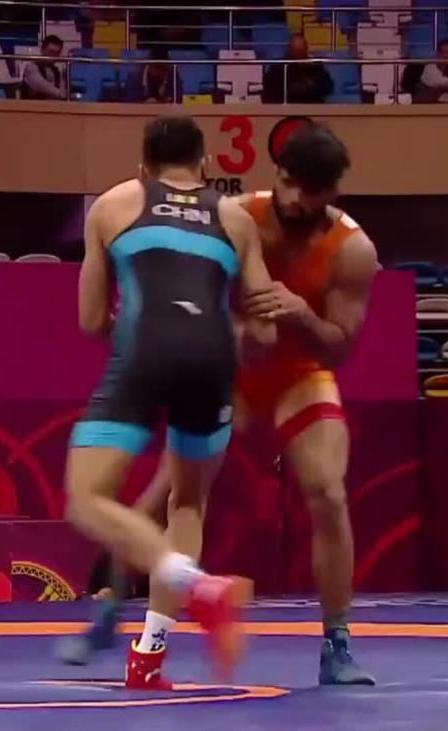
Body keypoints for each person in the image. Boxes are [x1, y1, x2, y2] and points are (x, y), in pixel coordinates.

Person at [63, 122, 380, 689]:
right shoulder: (237, 213)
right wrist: (224, 330)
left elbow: (340, 346)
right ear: (276, 174)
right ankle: (113, 610)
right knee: (162, 497)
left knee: (328, 492)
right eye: (289, 183)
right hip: (227, 367)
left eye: (310, 191)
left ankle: (337, 640)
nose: (295, 199)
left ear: (333, 192)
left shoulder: (351, 249)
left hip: (297, 375)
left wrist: (301, 315)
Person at [63, 115, 277, 680]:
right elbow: (264, 332)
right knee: (187, 504)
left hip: (147, 348)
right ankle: (148, 655)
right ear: (204, 166)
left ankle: (199, 587)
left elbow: (90, 320)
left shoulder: (114, 204)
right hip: (213, 360)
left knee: (87, 496)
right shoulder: (235, 217)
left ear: (144, 168)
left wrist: (142, 341)